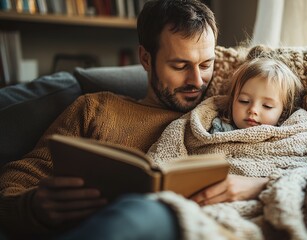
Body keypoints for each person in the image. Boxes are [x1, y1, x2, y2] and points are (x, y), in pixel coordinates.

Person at [0, 0, 218, 239]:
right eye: (180, 66)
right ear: (146, 59)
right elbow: (15, 182)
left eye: (206, 64)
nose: (197, 81)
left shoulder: (230, 112)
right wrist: (35, 206)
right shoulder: (97, 109)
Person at [144, 46, 307, 238]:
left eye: (267, 106)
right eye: (244, 101)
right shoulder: (209, 124)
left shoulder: (294, 135)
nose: (253, 110)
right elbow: (174, 145)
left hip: (245, 210)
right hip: (193, 202)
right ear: (232, 101)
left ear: (284, 111)